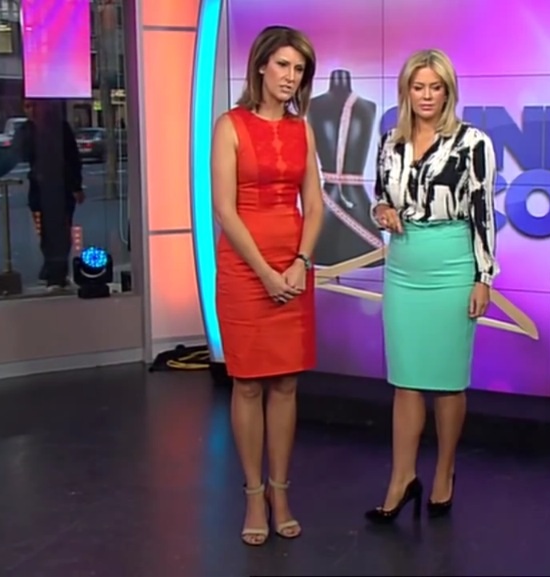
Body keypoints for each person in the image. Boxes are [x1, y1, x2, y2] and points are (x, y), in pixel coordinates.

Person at [365, 49, 498, 524]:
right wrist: (382, 212)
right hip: (403, 267)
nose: (426, 96)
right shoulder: (390, 141)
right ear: (406, 91)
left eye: (435, 88)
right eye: (418, 87)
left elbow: (483, 212)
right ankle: (402, 479)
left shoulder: (472, 142)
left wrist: (483, 277)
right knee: (405, 380)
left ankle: (444, 472)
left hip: (452, 266)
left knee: (446, 381)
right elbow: (380, 198)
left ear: (448, 92)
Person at [211, 25, 323, 546]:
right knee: (249, 383)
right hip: (245, 268)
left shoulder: (303, 129)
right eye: (282, 65)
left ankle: (281, 491)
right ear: (260, 65)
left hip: (293, 265)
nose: (290, 77)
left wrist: (301, 261)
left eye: (298, 69)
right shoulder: (230, 125)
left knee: (286, 384)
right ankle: (254, 493)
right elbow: (224, 209)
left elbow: (314, 205)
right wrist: (263, 271)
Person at [0, 99, 85, 290]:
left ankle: (55, 274)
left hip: (61, 190)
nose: (32, 110)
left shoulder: (59, 128)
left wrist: (76, 187)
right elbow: (12, 158)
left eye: (35, 105)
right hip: (40, 191)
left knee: (59, 234)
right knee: (46, 233)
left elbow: (72, 158)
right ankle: (53, 272)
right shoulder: (27, 131)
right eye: (28, 106)